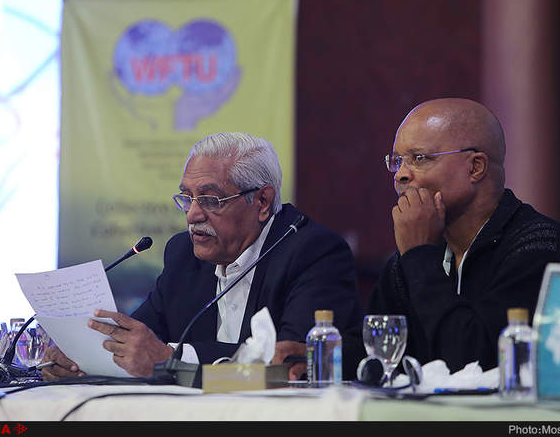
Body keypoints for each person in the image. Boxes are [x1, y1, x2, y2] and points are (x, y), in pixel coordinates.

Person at [274, 97, 560, 380]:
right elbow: (385, 349)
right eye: (397, 161)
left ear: (475, 167)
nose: (400, 174)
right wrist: (318, 355)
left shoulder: (540, 246)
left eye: (419, 158)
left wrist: (421, 255)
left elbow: (474, 361)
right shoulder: (412, 255)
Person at [41, 132, 363, 380]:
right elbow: (139, 338)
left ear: (262, 202)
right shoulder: (183, 253)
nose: (193, 215)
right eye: (187, 197)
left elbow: (287, 364)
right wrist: (83, 358)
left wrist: (171, 360)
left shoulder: (314, 252)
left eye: (211, 199)